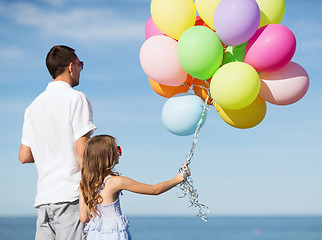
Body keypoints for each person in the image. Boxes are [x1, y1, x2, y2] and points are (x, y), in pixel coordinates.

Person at [18, 45, 96, 240]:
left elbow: (24, 156)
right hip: (70, 198)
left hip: (44, 201)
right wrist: (90, 196)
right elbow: (82, 154)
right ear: (71, 66)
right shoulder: (76, 99)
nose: (80, 69)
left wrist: (50, 147)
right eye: (80, 65)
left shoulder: (32, 107)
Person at [79, 135, 190, 240]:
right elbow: (155, 190)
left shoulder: (85, 184)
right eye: (117, 149)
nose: (119, 152)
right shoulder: (117, 181)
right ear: (108, 155)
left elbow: (83, 218)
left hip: (95, 235)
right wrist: (177, 179)